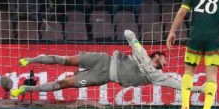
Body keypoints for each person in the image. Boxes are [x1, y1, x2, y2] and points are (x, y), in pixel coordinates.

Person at [11, 30, 204, 98]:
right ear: (156, 56)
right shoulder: (143, 54)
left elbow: (178, 84)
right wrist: (134, 42)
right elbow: (129, 34)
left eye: (166, 62)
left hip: (102, 76)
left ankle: (26, 89)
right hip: (103, 59)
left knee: (64, 84)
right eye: (164, 58)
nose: (166, 61)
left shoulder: (157, 76)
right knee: (67, 60)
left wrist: (198, 89)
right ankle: (31, 60)